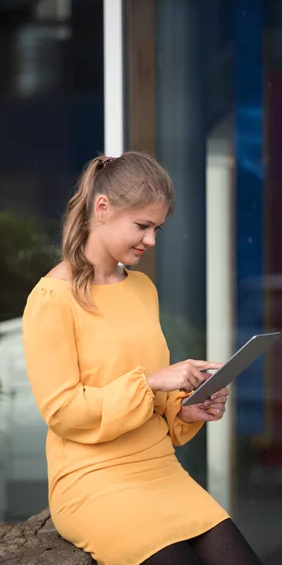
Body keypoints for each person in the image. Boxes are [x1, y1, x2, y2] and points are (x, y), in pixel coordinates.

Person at [22, 151, 263, 565]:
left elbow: (151, 403)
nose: (151, 240)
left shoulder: (142, 288)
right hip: (91, 482)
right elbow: (62, 411)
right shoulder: (51, 299)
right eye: (142, 225)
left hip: (161, 471)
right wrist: (152, 381)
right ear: (102, 209)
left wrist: (187, 409)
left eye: (157, 228)